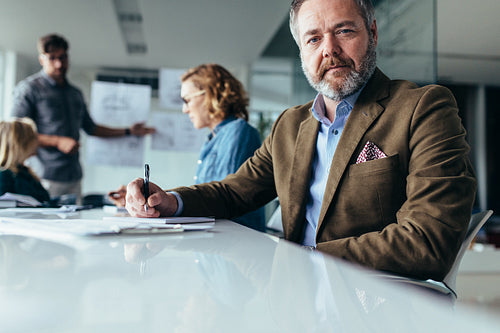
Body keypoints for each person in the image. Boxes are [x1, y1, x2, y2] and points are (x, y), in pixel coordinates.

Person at [125, 0, 476, 281]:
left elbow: (429, 239)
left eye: (344, 31)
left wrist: (302, 259)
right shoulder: (290, 125)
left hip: (377, 300)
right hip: (296, 301)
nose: (330, 50)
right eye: (313, 39)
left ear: (372, 33)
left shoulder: (422, 107)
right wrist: (169, 201)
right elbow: (234, 192)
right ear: (302, 51)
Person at [109, 64, 265, 231]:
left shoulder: (237, 132)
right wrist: (150, 200)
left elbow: (221, 199)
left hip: (237, 240)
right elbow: (205, 196)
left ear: (211, 94)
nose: (184, 110)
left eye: (187, 100)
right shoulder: (214, 138)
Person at [10, 34, 155, 203]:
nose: (59, 63)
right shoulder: (29, 89)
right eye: (52, 58)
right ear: (42, 59)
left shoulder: (75, 94)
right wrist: (57, 141)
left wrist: (129, 131)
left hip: (74, 176)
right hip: (44, 175)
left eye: (63, 57)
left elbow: (91, 128)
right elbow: (17, 132)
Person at [0, 118, 50, 203]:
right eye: (33, 138)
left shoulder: (25, 171)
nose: (37, 142)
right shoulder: (4, 176)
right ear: (21, 144)